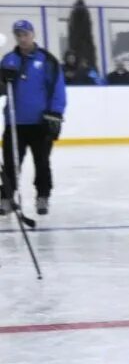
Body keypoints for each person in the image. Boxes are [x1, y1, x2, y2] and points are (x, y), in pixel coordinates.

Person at [1, 20, 66, 217]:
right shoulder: (8, 60)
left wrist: (55, 113)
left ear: (33, 34)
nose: (22, 38)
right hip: (15, 122)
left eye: (25, 34)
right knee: (11, 163)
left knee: (42, 162)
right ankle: (6, 198)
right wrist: (3, 80)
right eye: (18, 35)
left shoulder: (47, 60)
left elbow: (58, 88)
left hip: (40, 123)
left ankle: (42, 196)